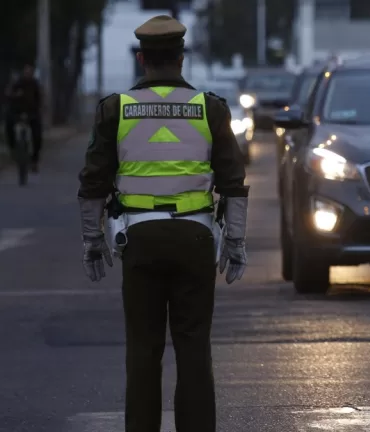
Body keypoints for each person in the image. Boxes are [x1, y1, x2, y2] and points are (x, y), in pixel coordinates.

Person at [76, 15, 249, 432]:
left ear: (142, 60)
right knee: (193, 352)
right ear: (181, 59)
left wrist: (92, 238)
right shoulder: (210, 108)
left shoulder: (116, 109)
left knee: (143, 351)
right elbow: (233, 184)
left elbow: (93, 182)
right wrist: (236, 242)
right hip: (194, 239)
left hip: (139, 241)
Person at [5, 64, 43, 172]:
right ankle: (13, 149)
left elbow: (40, 99)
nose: (28, 74)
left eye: (30, 72)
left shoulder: (35, 84)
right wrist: (14, 95)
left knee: (37, 135)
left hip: (32, 114)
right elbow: (8, 94)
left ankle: (34, 160)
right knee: (9, 126)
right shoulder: (17, 83)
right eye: (26, 72)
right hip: (16, 113)